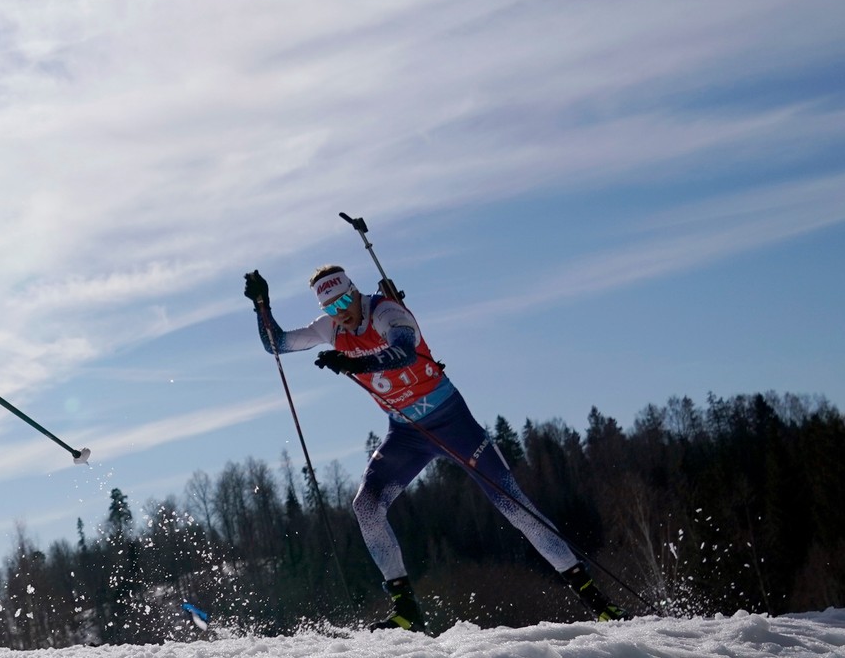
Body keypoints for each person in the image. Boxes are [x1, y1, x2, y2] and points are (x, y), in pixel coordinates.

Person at [242, 264, 622, 629]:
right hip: (406, 433)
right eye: (330, 308)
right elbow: (277, 344)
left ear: (355, 292)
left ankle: (596, 601)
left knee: (515, 505)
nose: (340, 314)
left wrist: (354, 364)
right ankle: (406, 610)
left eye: (344, 303)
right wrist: (263, 306)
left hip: (452, 422)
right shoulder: (330, 329)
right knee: (367, 506)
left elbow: (403, 352)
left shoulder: (386, 311)